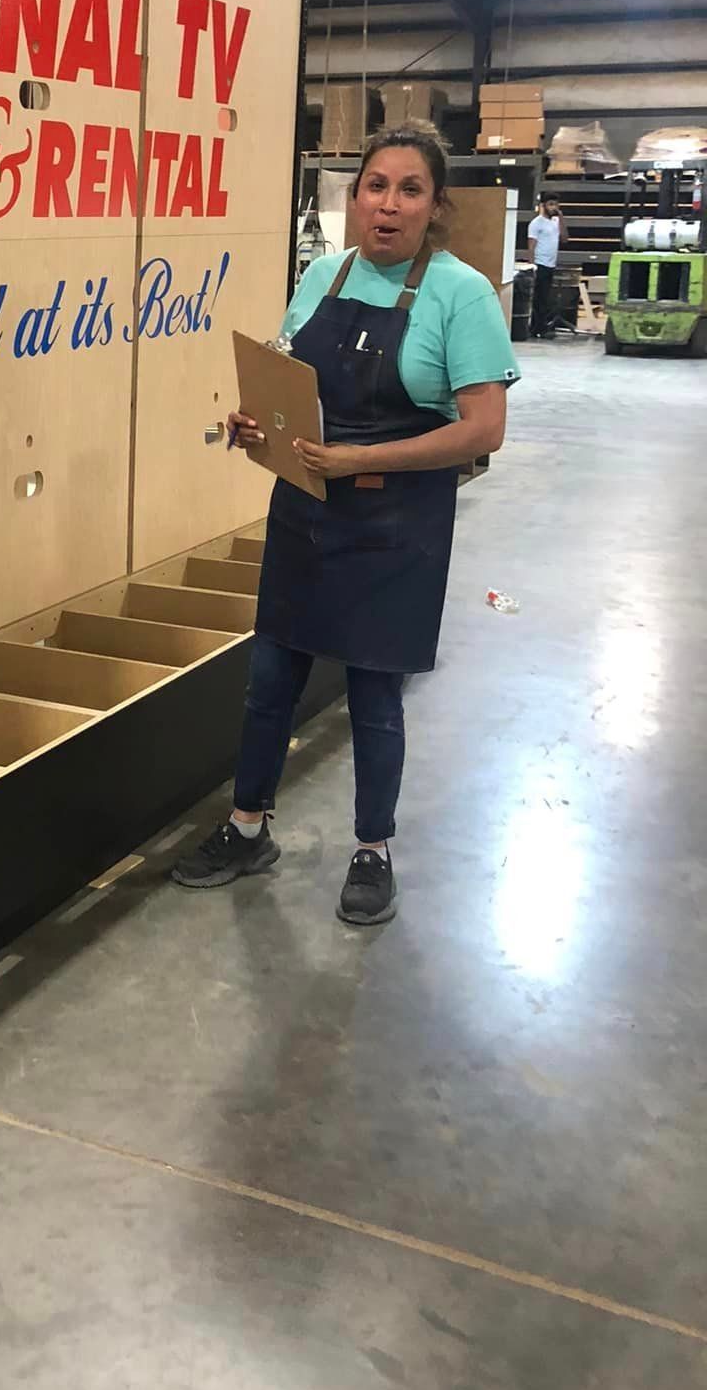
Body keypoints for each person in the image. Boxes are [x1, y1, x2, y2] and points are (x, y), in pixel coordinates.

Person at [172, 126, 520, 925]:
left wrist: (365, 456)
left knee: (374, 697)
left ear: (435, 208)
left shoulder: (461, 296)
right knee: (267, 686)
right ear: (353, 197)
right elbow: (288, 377)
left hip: (397, 527)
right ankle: (247, 827)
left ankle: (372, 852)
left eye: (409, 190)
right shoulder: (322, 279)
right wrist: (255, 423)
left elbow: (483, 429)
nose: (387, 205)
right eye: (374, 186)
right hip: (307, 512)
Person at [527, 194, 563, 338]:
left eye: (556, 204)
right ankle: (537, 328)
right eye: (551, 204)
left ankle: (542, 326)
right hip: (540, 264)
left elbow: (565, 237)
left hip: (550, 264)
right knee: (539, 298)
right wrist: (532, 265)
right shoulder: (536, 223)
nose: (553, 207)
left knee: (546, 297)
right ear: (543, 205)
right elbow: (531, 246)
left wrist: (561, 219)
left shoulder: (555, 222)